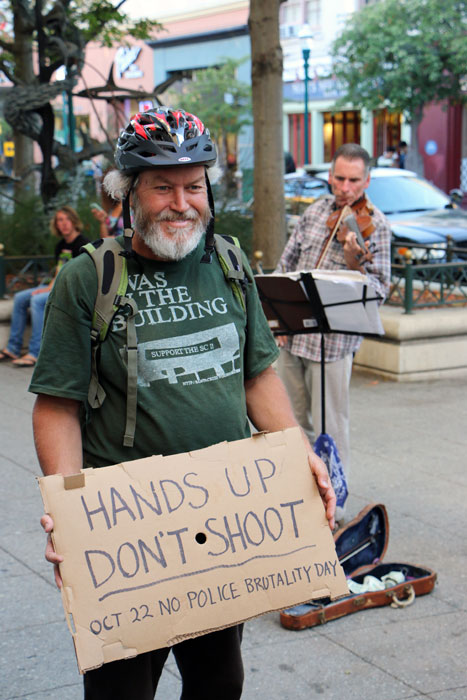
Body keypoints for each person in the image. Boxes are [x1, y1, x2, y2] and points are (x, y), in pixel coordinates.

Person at [29, 107, 336, 700]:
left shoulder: (228, 263)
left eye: (193, 186)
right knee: (123, 691)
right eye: (161, 186)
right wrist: (65, 513)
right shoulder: (88, 278)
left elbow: (257, 375)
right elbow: (57, 405)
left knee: (220, 683)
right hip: (128, 531)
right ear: (128, 193)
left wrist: (299, 454)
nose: (181, 202)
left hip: (224, 521)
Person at [275, 143, 391, 523]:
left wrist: (354, 254)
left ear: (367, 180)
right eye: (339, 178)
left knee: (331, 426)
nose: (345, 188)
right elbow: (286, 263)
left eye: (354, 181)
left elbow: (380, 289)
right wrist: (274, 318)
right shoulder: (313, 213)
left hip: (334, 342)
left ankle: (335, 504)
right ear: (330, 176)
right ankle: (298, 492)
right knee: (292, 422)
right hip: (292, 334)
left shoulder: (377, 225)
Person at [0, 206, 89, 367]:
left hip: (74, 289)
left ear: (74, 221)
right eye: (60, 220)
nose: (64, 224)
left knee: (37, 301)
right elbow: (60, 270)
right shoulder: (60, 245)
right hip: (58, 284)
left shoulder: (83, 244)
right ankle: (13, 348)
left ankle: (35, 352)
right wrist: (49, 287)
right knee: (20, 298)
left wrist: (49, 289)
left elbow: (80, 275)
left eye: (67, 219)